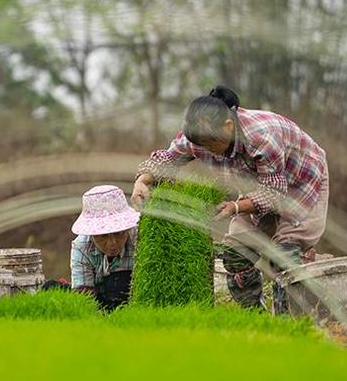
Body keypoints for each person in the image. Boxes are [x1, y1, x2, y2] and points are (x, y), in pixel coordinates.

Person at [131, 86, 329, 311]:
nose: (208, 150)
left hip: (301, 181)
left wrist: (236, 206)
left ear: (228, 126)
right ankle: (255, 316)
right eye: (201, 145)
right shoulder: (198, 137)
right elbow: (167, 160)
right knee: (235, 253)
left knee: (284, 254)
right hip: (258, 184)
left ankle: (291, 322)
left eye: (210, 144)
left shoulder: (262, 136)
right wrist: (142, 182)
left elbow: (274, 192)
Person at [70, 185, 140, 312]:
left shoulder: (140, 239)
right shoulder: (82, 248)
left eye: (118, 233)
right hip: (100, 301)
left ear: (127, 229)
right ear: (92, 234)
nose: (112, 243)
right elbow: (84, 298)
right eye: (103, 236)